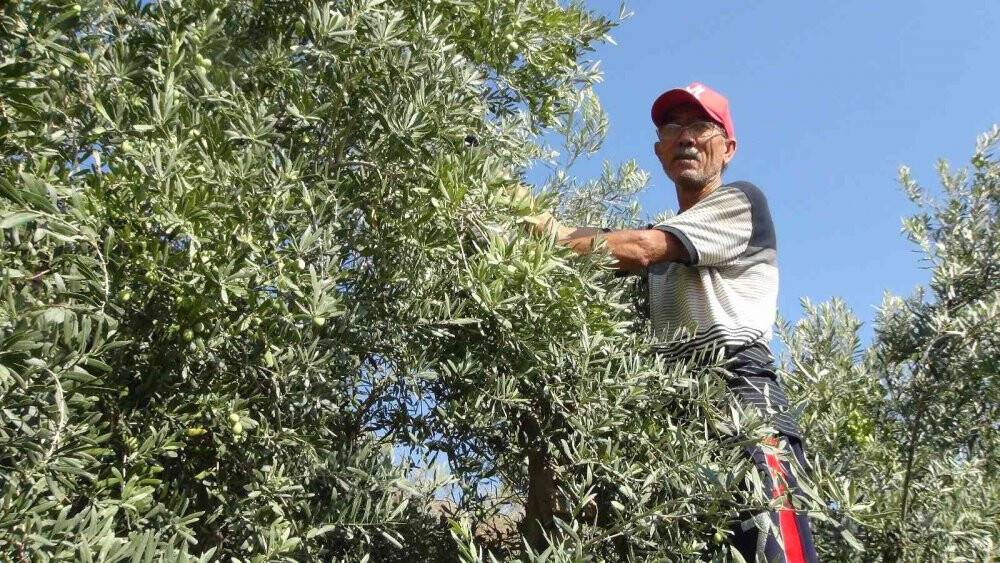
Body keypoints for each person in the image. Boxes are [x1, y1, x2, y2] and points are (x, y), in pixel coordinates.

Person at [519, 82, 819, 562]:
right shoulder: (663, 243)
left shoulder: (740, 202)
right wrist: (528, 220)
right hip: (678, 433)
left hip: (745, 412)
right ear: (659, 150)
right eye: (672, 127)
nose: (686, 137)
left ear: (728, 147)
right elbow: (612, 245)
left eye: (701, 125)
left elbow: (636, 248)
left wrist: (547, 232)